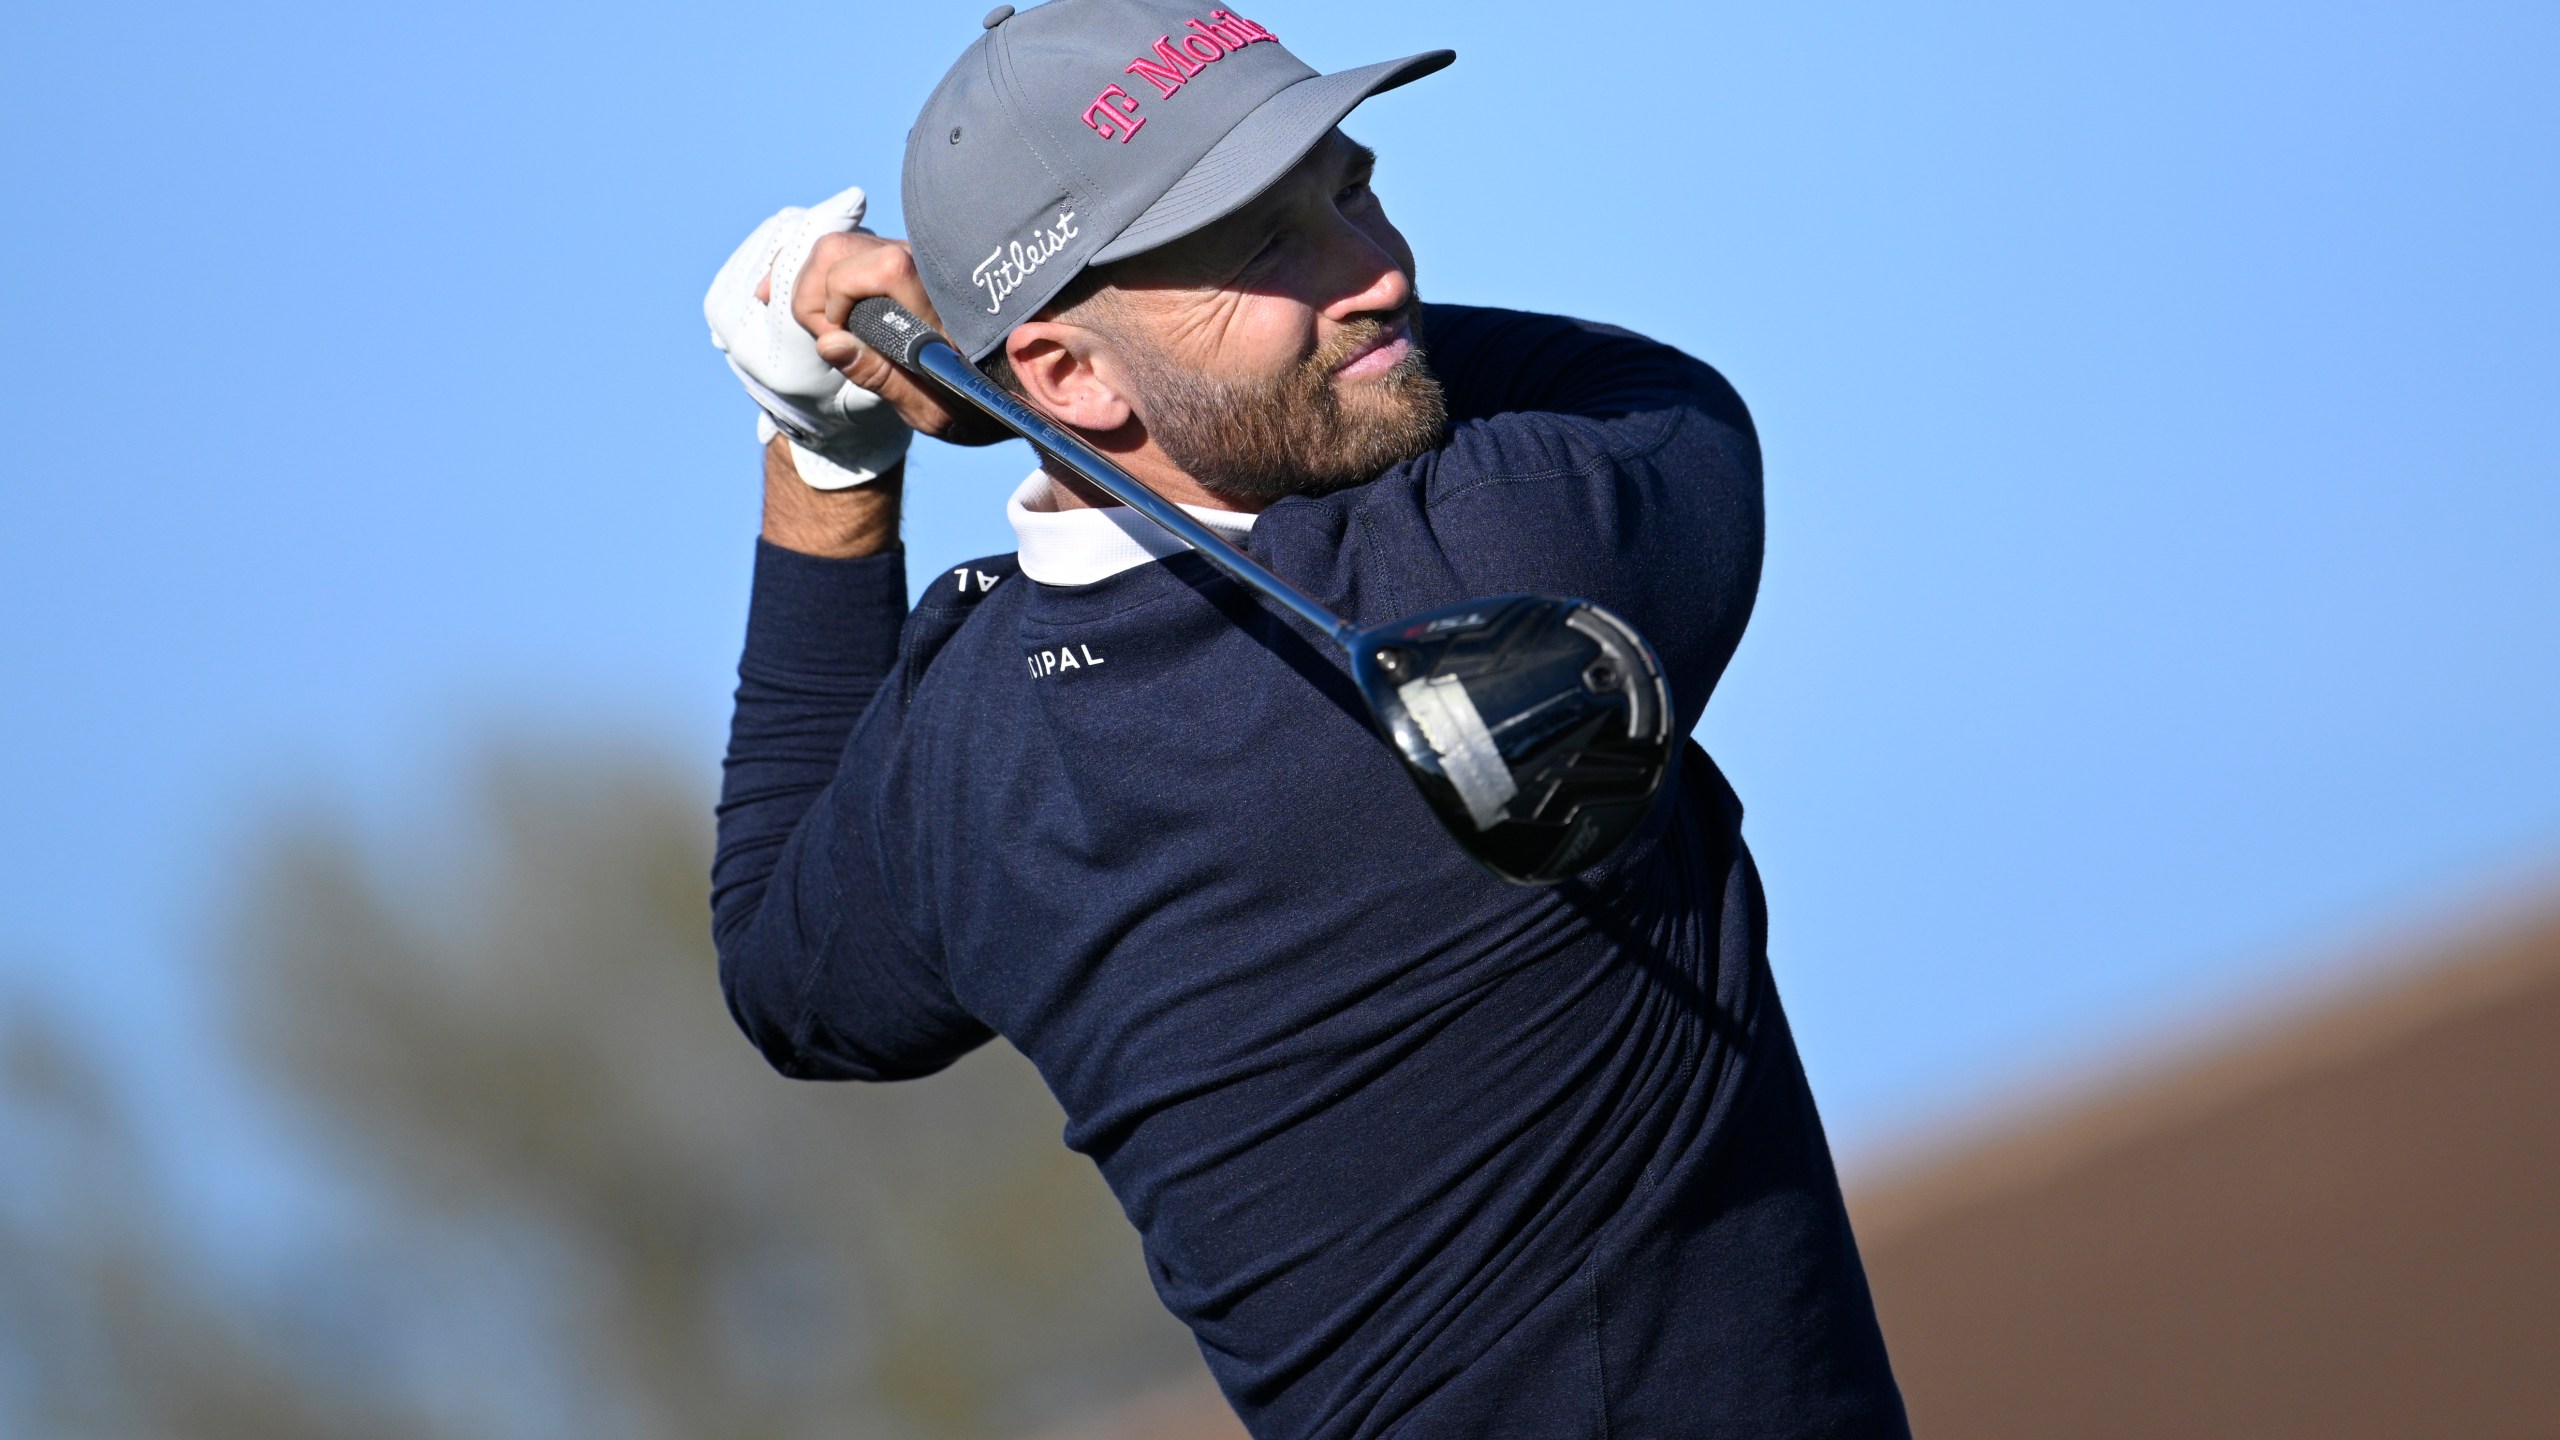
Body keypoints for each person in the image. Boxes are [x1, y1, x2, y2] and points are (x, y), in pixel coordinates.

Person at [702, 2, 1909, 1435]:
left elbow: (789, 977)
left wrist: (828, 454)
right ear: (1069, 375)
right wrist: (985, 379)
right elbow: (1654, 390)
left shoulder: (954, 754)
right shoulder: (1517, 543)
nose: (1378, 268)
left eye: (1350, 185)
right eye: (1264, 245)